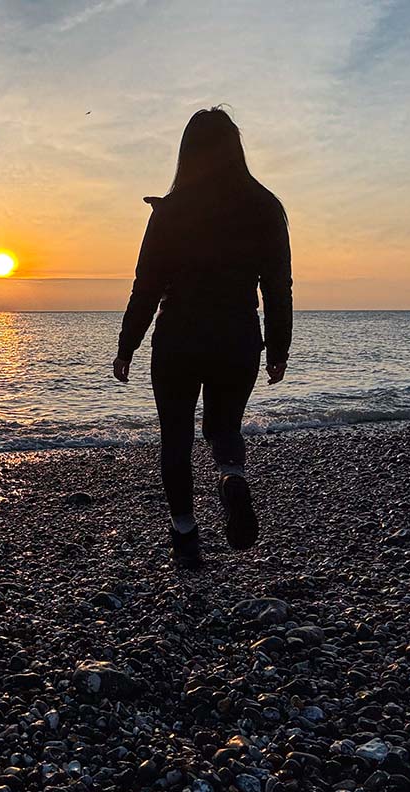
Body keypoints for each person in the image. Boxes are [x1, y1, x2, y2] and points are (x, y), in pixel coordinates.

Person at [112, 106, 292, 569]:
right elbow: (277, 285)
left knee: (176, 438)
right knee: (224, 427)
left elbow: (146, 284)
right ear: (236, 150)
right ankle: (231, 477)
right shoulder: (265, 207)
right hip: (237, 334)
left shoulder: (171, 212)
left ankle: (186, 536)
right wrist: (279, 345)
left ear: (187, 153)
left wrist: (127, 344)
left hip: (179, 337)